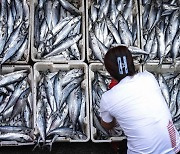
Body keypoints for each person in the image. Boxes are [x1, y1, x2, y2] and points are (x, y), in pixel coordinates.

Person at [99, 45, 180, 154]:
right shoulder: (148, 77)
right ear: (132, 63)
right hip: (175, 148)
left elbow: (107, 125)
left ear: (110, 72)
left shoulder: (108, 98)